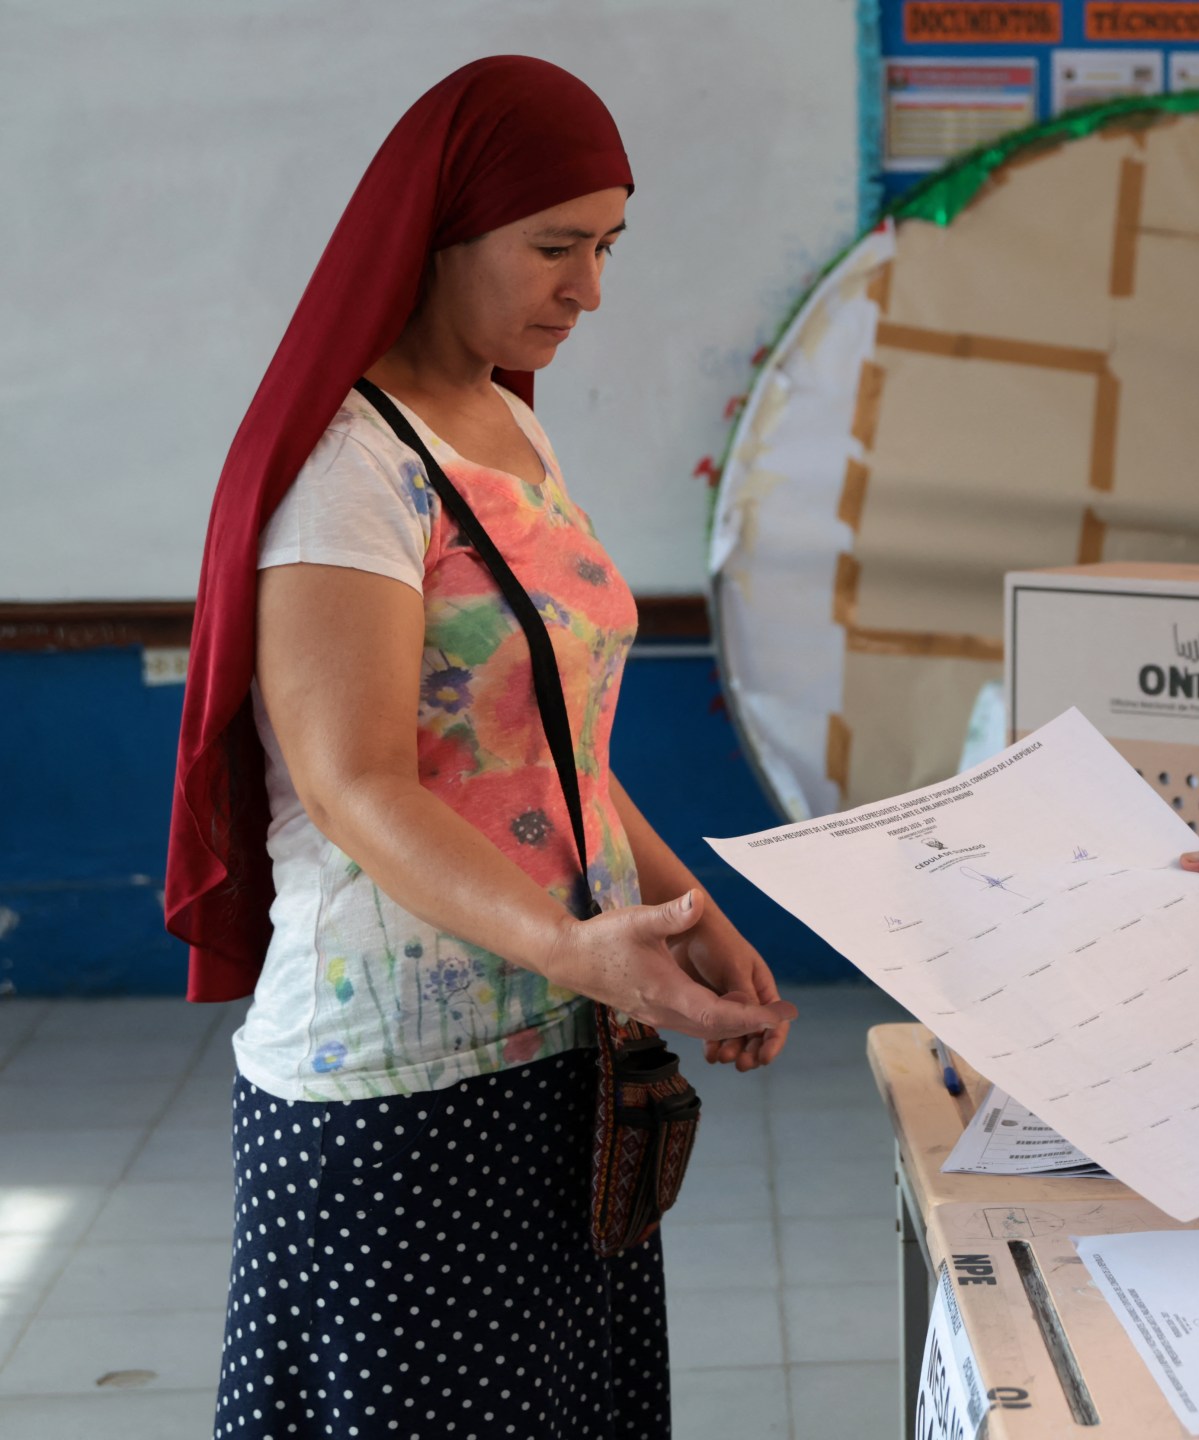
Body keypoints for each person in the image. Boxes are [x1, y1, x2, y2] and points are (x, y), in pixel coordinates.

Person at [163, 58, 795, 1440]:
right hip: (398, 1087)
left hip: (557, 1043)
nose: (590, 290)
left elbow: (552, 743)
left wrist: (683, 911)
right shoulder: (348, 470)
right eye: (555, 247)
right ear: (441, 230)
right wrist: (577, 945)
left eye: (609, 246)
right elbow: (353, 785)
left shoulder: (506, 423)